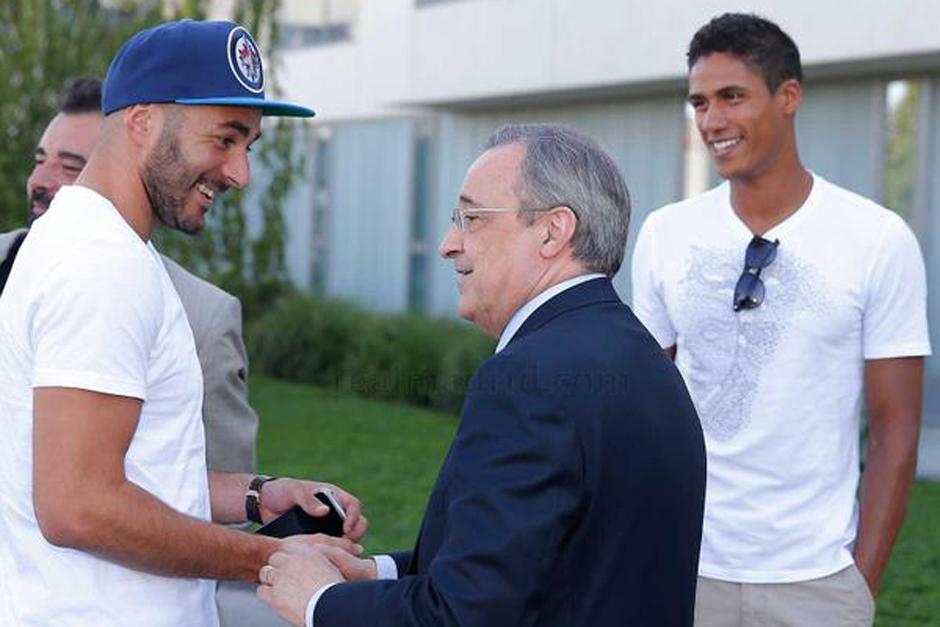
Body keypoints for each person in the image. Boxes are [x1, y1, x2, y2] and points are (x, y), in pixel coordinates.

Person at [256, 123, 707, 627]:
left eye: (471, 218)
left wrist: (320, 602)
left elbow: (463, 615)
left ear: (553, 231)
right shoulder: (646, 362)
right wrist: (375, 572)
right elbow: (539, 563)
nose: (449, 244)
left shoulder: (527, 381)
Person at [0, 20, 366, 627]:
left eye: (247, 146)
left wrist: (257, 494)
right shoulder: (102, 266)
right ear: (142, 121)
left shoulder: (89, 245)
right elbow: (78, 506)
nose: (239, 173)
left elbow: (117, 469)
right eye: (225, 139)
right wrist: (271, 557)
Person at [631, 13, 931, 627]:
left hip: (817, 582)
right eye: (700, 102)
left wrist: (860, 583)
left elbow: (896, 426)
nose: (712, 120)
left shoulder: (876, 239)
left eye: (732, 97)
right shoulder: (666, 234)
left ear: (788, 96)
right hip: (684, 568)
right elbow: (643, 410)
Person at [1, 76, 258, 475]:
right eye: (40, 161)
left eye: (70, 166)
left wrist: (256, 503)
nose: (40, 181)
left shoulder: (203, 319)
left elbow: (198, 493)